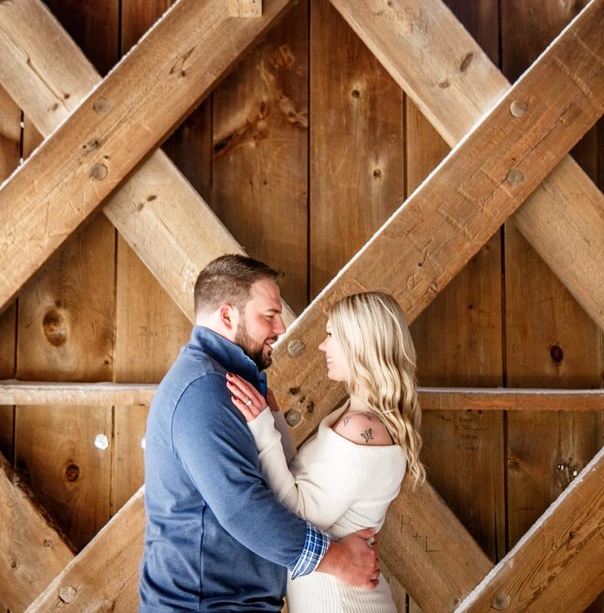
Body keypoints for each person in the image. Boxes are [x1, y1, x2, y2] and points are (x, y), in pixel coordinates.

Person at [140, 254, 380, 612]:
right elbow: (240, 506)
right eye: (269, 316)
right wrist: (339, 560)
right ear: (227, 316)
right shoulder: (205, 390)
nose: (282, 328)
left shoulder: (226, 382)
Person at [225, 291, 425, 612]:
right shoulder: (358, 418)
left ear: (358, 342)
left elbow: (298, 514)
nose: (323, 346)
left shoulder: (360, 429)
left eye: (331, 335)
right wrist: (273, 419)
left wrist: (261, 427)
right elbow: (301, 480)